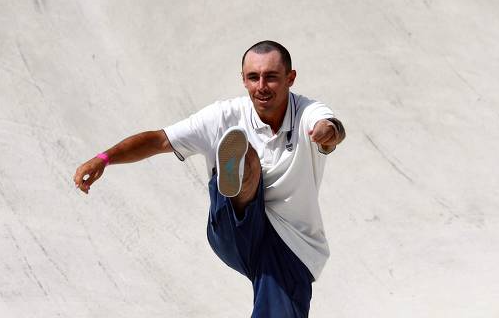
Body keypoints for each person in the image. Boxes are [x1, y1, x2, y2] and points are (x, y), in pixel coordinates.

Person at [73, 40, 346, 317]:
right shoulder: (222, 116)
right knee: (247, 156)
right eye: (253, 77)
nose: (261, 86)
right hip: (233, 230)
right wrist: (104, 159)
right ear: (243, 80)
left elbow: (330, 126)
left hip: (293, 243)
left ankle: (238, 166)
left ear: (290, 78)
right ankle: (237, 169)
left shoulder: (307, 113)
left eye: (271, 77)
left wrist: (328, 133)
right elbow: (159, 140)